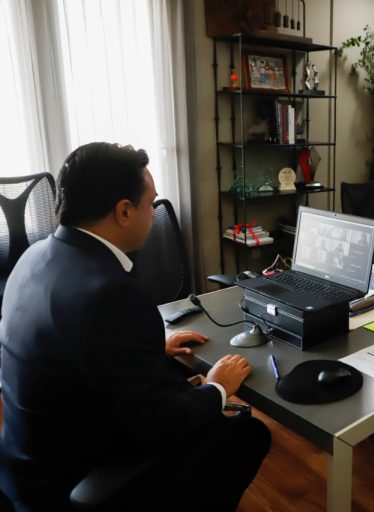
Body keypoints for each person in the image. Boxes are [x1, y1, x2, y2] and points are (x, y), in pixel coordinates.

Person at [0, 142, 271, 511]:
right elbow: (160, 424)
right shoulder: (108, 294)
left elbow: (71, 348)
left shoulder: (34, 256)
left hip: (26, 466)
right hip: (71, 483)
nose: (153, 213)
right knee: (247, 434)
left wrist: (145, 350)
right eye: (151, 203)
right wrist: (216, 387)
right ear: (124, 211)